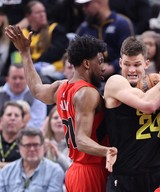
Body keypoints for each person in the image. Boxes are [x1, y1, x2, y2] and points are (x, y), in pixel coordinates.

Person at [5, 25, 117, 192]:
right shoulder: (87, 93)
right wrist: (107, 150)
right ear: (86, 63)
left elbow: (36, 89)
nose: (103, 67)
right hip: (90, 170)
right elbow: (81, 140)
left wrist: (25, 53)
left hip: (74, 171)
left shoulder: (61, 87)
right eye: (99, 61)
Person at [104, 36, 160, 192]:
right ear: (120, 63)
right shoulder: (115, 82)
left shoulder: (156, 85)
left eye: (137, 64)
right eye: (127, 64)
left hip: (158, 172)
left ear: (147, 64)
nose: (132, 70)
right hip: (126, 175)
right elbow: (148, 105)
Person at [75, 0, 134, 79]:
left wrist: (113, 67)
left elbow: (129, 53)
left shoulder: (121, 23)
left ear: (99, 2)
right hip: (89, 76)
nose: (83, 8)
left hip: (118, 75)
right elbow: (76, 55)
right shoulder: (83, 28)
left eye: (87, 4)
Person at [0, 128, 65, 191]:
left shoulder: (55, 171)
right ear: (19, 147)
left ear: (43, 146)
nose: (32, 149)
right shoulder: (6, 172)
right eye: (27, 145)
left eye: (36, 145)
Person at [22, 0, 69, 73]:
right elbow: (16, 54)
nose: (42, 14)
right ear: (28, 16)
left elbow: (57, 52)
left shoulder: (54, 29)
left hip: (53, 69)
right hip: (30, 68)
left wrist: (35, 63)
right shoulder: (23, 33)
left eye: (43, 11)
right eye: (38, 12)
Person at [0, 63, 47, 128]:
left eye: (21, 78)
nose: (18, 81)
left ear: (27, 79)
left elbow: (38, 123)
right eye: (14, 78)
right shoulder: (1, 93)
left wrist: (16, 129)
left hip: (28, 135)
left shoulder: (37, 96)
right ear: (7, 79)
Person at [44, 106, 71, 172]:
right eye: (55, 118)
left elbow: (72, 169)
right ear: (49, 122)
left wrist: (57, 154)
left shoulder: (75, 145)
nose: (59, 120)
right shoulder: (43, 143)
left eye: (63, 117)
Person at [0, 101, 25, 168]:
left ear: (23, 122)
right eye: (9, 115)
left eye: (16, 115)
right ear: (1, 120)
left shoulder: (27, 142)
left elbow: (27, 166)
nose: (12, 118)